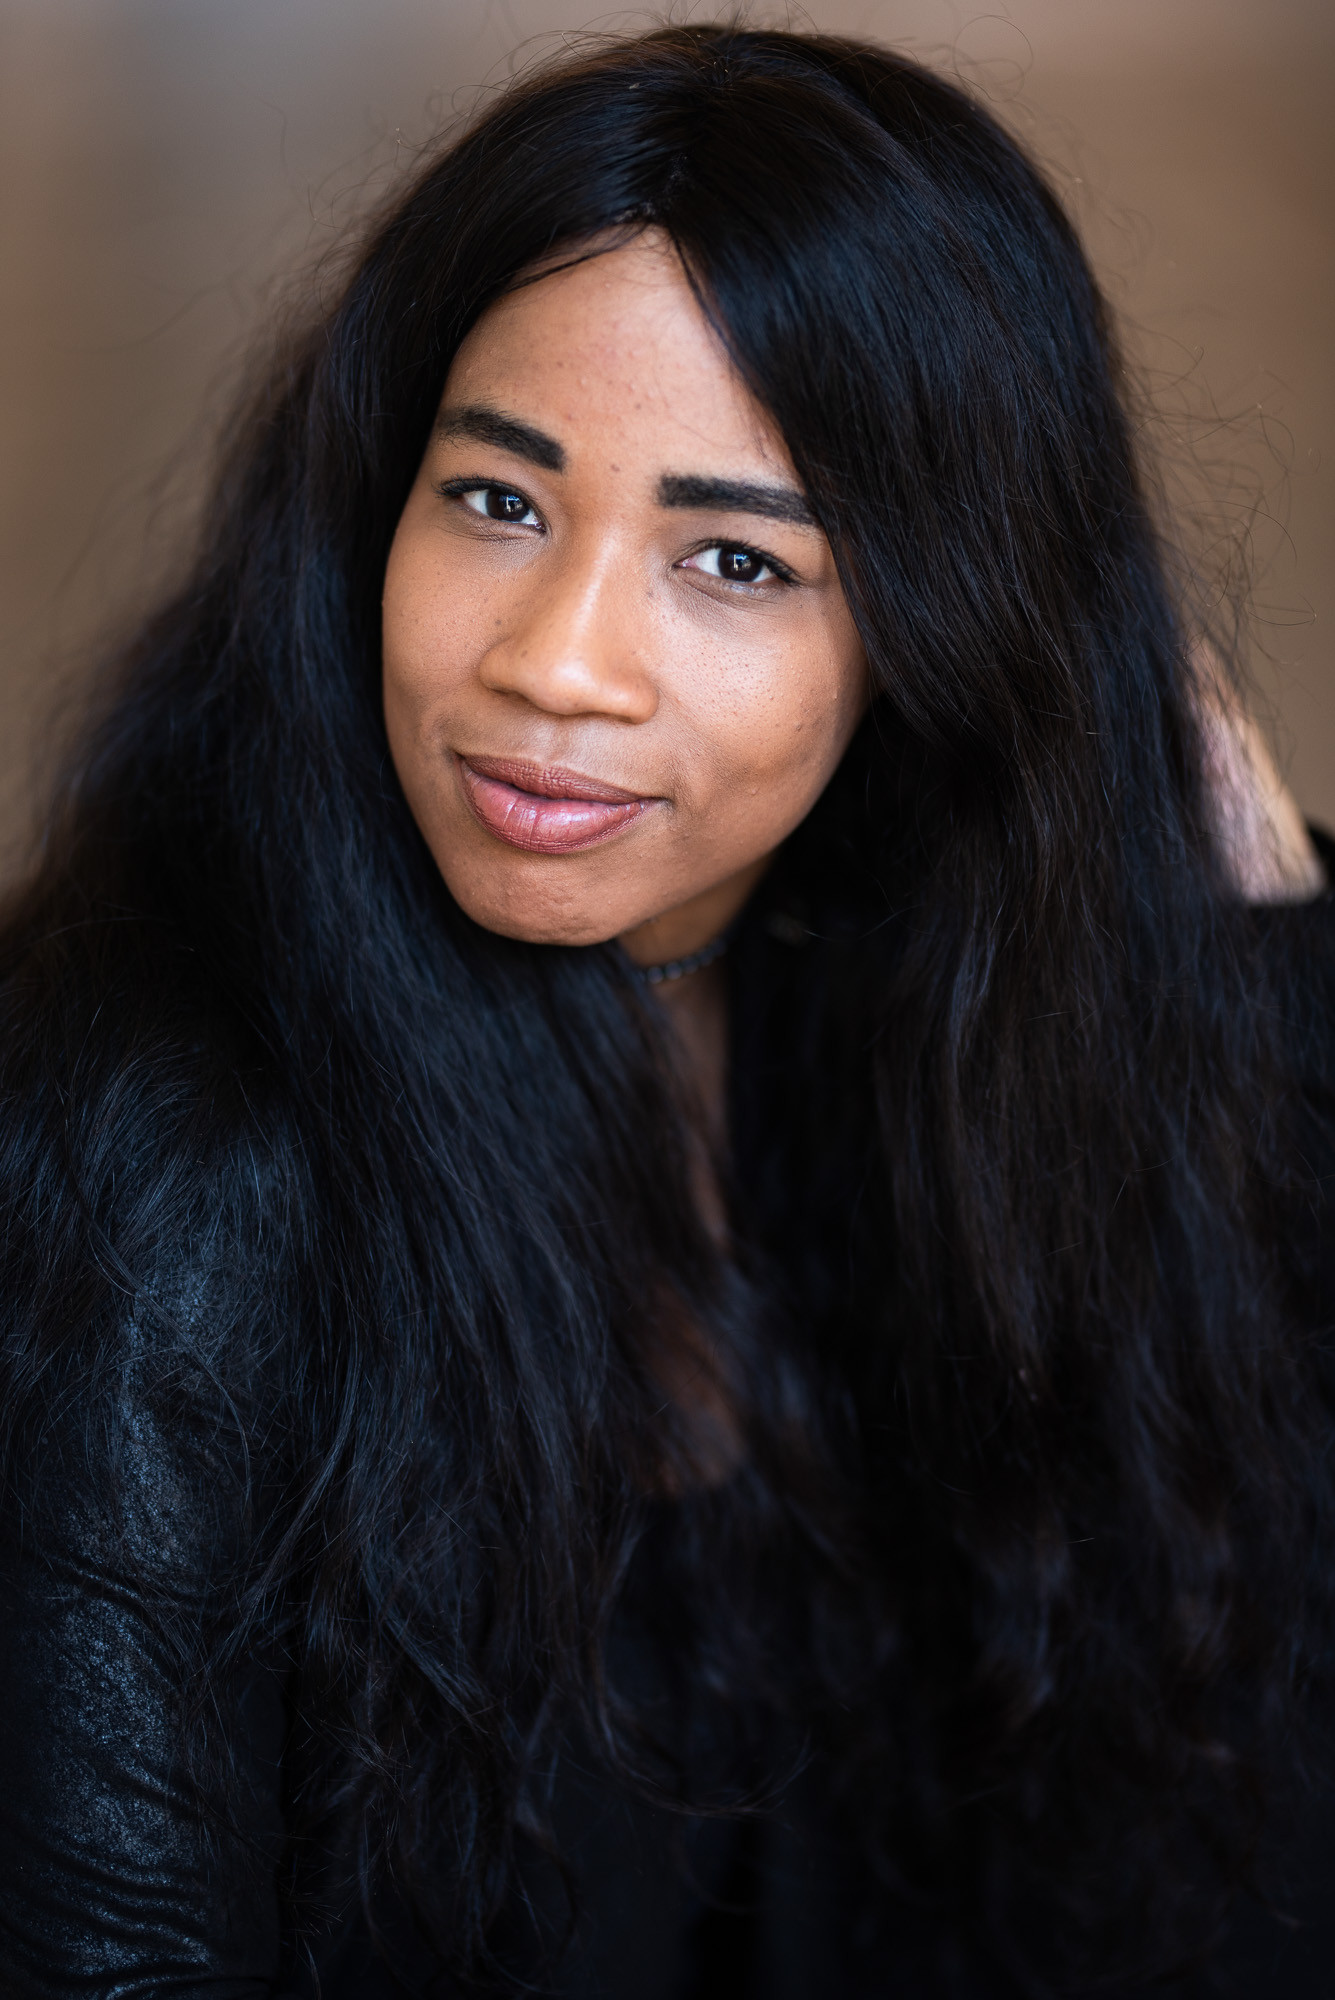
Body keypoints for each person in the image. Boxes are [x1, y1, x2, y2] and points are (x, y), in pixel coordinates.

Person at [1, 25, 1332, 1998]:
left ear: (939, 627)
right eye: (496, 499)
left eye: (730, 559)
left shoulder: (905, 1028)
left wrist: (1255, 957)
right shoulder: (163, 1143)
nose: (558, 664)